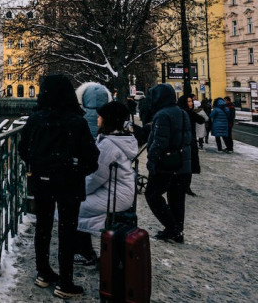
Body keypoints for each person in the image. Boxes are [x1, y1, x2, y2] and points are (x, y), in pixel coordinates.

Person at [20, 74, 100, 299]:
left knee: (42, 227)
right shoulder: (76, 121)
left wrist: (38, 165)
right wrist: (76, 169)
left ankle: (43, 273)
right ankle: (65, 282)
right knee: (67, 231)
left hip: (42, 181)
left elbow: (23, 149)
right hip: (68, 183)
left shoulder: (35, 119)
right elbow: (91, 157)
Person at [74, 101, 138, 265]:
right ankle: (86, 249)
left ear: (107, 120)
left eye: (100, 116)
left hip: (117, 194)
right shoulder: (118, 138)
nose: (97, 119)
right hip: (119, 190)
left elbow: (96, 177)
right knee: (77, 203)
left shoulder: (108, 144)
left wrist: (79, 190)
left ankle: (85, 252)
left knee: (74, 205)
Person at [145, 84, 192, 243]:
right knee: (177, 198)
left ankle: (173, 228)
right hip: (182, 163)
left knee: (152, 194)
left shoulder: (162, 115)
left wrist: (152, 162)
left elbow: (159, 143)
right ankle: (177, 231)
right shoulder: (182, 113)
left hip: (167, 163)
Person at [177, 95, 204, 196]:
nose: (191, 103)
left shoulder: (180, 112)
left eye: (191, 101)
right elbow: (202, 119)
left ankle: (183, 186)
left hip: (186, 141)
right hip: (188, 141)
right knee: (188, 165)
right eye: (189, 101)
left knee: (185, 165)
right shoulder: (188, 113)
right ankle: (186, 187)